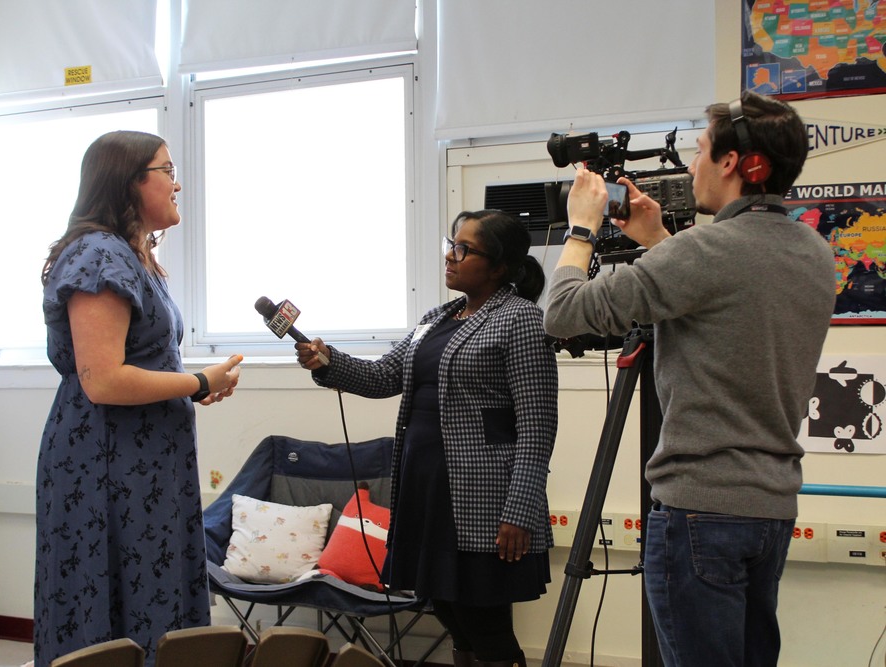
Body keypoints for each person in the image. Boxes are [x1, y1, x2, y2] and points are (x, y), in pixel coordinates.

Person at [544, 91, 836, 666]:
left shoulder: (704, 251)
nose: (692, 166)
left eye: (701, 150)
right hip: (772, 509)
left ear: (733, 163)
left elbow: (563, 312)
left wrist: (582, 227)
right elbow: (725, 300)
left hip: (699, 511)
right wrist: (657, 241)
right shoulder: (813, 250)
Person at [296, 210, 557, 667]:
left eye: (463, 249)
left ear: (497, 266)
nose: (449, 256)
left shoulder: (522, 320)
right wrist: (327, 360)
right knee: (451, 613)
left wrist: (521, 509)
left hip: (485, 497)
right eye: (450, 244)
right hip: (427, 490)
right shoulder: (436, 318)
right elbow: (381, 377)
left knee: (486, 622)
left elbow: (538, 425)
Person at [34, 130, 243, 667]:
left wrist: (190, 390)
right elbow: (102, 380)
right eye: (167, 170)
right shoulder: (98, 255)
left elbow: (144, 367)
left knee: (155, 586)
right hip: (105, 462)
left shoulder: (134, 253)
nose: (177, 183)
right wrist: (198, 382)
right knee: (110, 593)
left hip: (146, 460)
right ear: (130, 182)